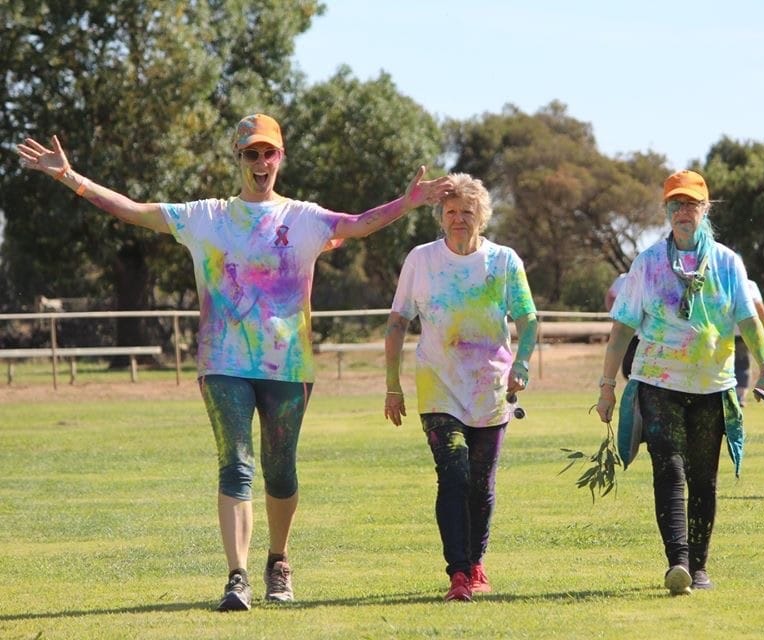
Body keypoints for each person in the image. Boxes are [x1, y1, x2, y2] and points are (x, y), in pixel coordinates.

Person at [17, 114, 453, 612]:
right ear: (238, 158)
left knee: (280, 470)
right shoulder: (205, 216)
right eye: (251, 154)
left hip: (288, 366)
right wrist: (70, 177)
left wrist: (408, 202)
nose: (261, 162)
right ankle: (237, 576)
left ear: (280, 157)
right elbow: (135, 211)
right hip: (222, 362)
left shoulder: (303, 218)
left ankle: (279, 561)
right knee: (236, 465)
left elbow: (356, 225)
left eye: (268, 153)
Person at [594, 170, 764, 596]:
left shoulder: (727, 262)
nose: (684, 211)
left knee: (704, 478)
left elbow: (748, 321)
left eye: (692, 204)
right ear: (666, 211)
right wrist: (607, 385)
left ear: (705, 209)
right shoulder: (646, 263)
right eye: (676, 204)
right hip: (657, 381)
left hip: (713, 385)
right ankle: (677, 563)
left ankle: (700, 566)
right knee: (669, 467)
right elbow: (623, 328)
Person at [383, 173, 538, 602]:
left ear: (481, 217)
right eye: (450, 212)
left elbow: (528, 320)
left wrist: (522, 361)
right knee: (452, 475)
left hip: (490, 386)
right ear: (440, 216)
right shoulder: (421, 260)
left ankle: (475, 560)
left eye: (467, 212)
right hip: (438, 385)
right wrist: (392, 385)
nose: (458, 219)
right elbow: (398, 323)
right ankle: (458, 573)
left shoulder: (503, 261)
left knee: (481, 484)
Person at [735, 279, 764, 406]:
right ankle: (739, 397)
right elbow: (759, 307)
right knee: (742, 364)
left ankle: (733, 396)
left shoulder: (721, 279)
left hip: (726, 331)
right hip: (744, 330)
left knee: (729, 363)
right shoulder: (749, 285)